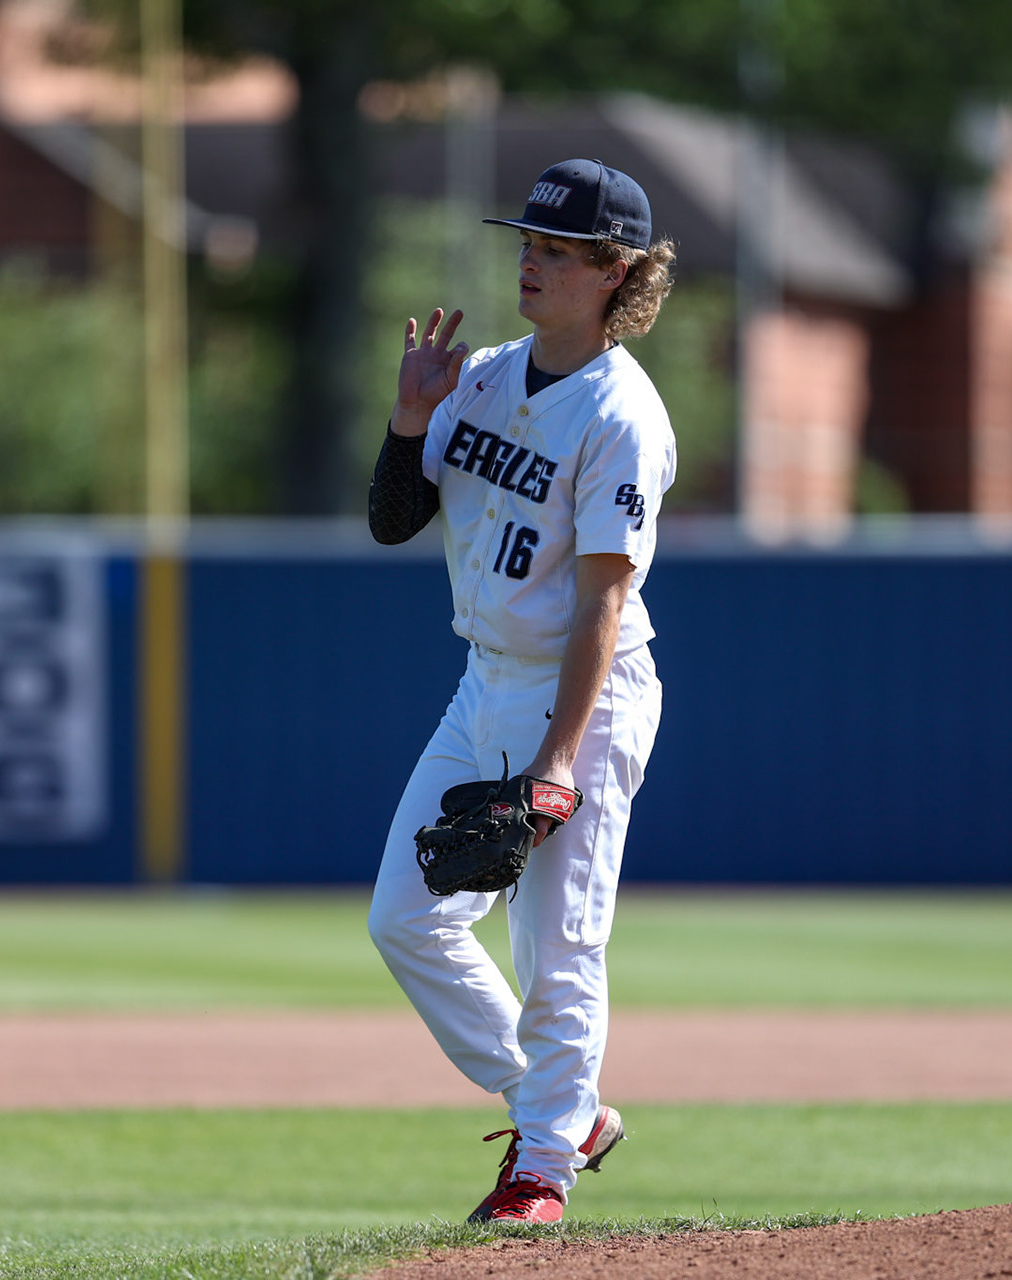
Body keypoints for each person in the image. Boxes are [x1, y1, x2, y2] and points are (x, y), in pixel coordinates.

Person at [364, 158, 677, 1224]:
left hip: (587, 694)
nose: (529, 262)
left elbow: (602, 601)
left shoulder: (623, 414)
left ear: (616, 270)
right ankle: (565, 1109)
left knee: (558, 943)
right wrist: (410, 419)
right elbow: (394, 520)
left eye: (556, 249)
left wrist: (557, 759)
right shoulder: (488, 376)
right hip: (484, 681)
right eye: (527, 244)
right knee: (407, 918)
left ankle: (542, 1169)